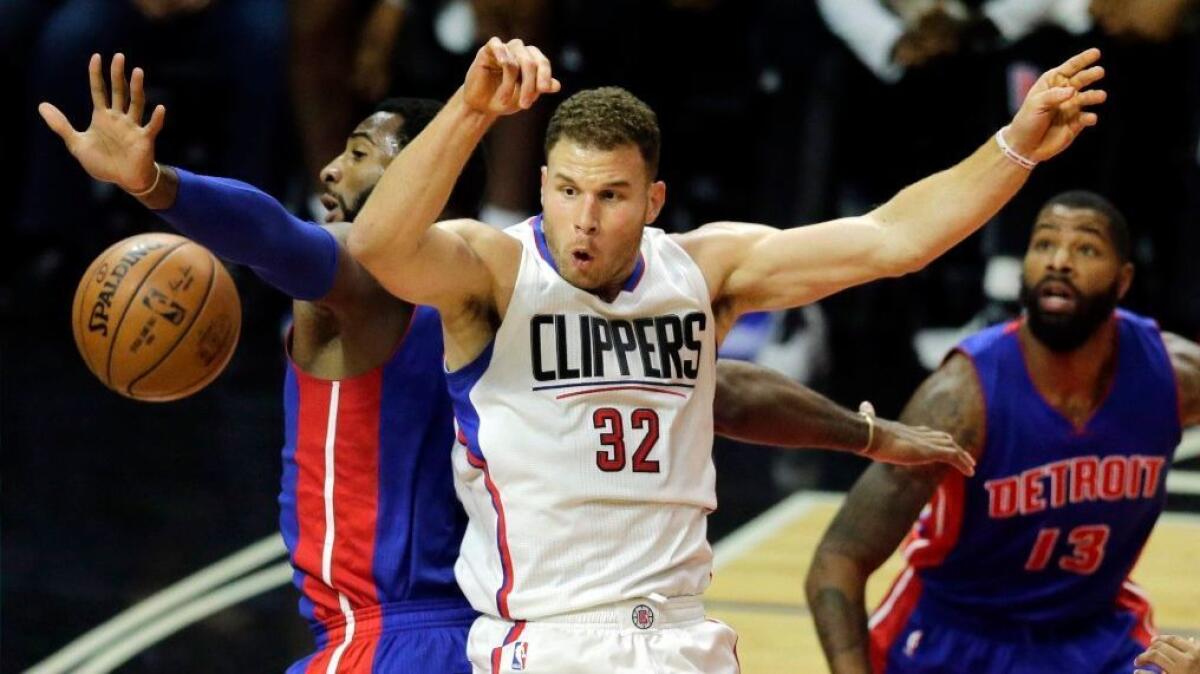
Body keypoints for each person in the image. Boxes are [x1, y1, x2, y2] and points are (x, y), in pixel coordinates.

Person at [40, 53, 974, 672]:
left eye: (363, 154)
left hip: (398, 632)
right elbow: (710, 392)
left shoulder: (367, 285)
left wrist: (157, 187)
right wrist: (859, 430)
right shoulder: (511, 290)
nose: (332, 169)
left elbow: (269, 236)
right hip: (507, 629)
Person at [344, 36, 1104, 672]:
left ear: (653, 201)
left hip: (685, 635)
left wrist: (1015, 148)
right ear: (541, 187)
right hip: (549, 639)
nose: (584, 219)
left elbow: (893, 240)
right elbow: (380, 245)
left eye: (610, 196)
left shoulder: (703, 271)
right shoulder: (494, 272)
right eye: (567, 191)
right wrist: (472, 109)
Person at [805, 191, 1200, 674]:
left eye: (1086, 249)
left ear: (1123, 282)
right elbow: (838, 559)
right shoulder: (962, 397)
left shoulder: (1173, 375)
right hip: (956, 642)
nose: (1059, 261)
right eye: (1043, 244)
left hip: (1095, 636)